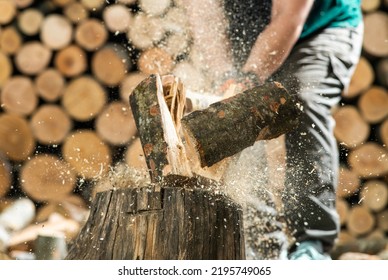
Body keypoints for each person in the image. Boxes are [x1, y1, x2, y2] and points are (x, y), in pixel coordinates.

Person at [181, 0, 363, 260]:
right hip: (256, 30)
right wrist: (226, 80)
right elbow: (203, 12)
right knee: (237, 120)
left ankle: (312, 243)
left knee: (303, 99)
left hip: (321, 26)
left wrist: (250, 78)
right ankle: (260, 244)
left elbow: (290, 16)